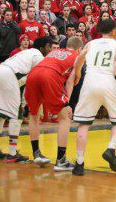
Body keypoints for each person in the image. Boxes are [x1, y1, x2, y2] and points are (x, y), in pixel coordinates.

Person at [71, 19, 116, 176]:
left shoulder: (91, 43)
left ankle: (79, 163)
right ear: (113, 31)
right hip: (108, 82)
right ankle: (111, 148)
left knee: (83, 125)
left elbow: (78, 60)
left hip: (89, 82)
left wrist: (77, 74)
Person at [25, 36, 83, 171]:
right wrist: (66, 103)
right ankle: (61, 160)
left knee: (34, 115)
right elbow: (69, 82)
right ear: (79, 48)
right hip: (49, 75)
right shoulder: (77, 57)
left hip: (33, 74)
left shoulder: (54, 52)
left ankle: (37, 153)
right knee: (66, 117)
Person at [0, 37, 52, 161]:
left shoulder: (27, 52)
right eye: (49, 46)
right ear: (42, 47)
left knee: (0, 114)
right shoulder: (38, 56)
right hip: (8, 75)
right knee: (16, 115)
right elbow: (35, 79)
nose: (50, 49)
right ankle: (12, 153)